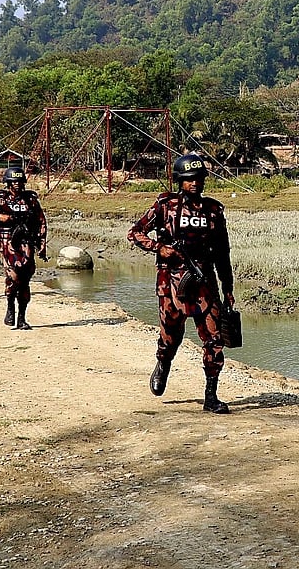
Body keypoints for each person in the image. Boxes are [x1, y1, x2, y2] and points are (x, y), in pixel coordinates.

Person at [127, 153, 235, 414]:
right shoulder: (165, 205)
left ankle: (211, 396)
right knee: (170, 337)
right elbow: (135, 232)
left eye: (198, 179)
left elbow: (223, 252)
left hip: (204, 281)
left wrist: (228, 287)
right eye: (188, 180)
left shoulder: (213, 210)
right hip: (171, 283)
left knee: (214, 339)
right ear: (179, 181)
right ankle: (163, 365)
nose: (194, 184)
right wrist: (159, 248)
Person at [0, 167, 48, 330]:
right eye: (14, 182)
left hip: (27, 241)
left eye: (20, 182)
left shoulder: (31, 199)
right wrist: (0, 218)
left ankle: (22, 318)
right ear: (8, 183)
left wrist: (42, 244)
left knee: (25, 281)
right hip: (7, 241)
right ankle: (10, 306)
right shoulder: (1, 199)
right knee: (13, 276)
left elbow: (41, 221)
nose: (18, 185)